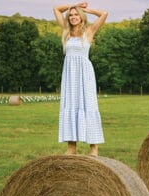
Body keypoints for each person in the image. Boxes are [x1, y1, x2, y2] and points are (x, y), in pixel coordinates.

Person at [53, 2, 108, 156]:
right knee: (71, 105)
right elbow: (56, 9)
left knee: (89, 105)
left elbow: (104, 14)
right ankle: (71, 147)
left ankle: (94, 148)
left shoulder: (89, 31)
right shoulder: (66, 31)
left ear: (82, 17)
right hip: (70, 76)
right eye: (71, 15)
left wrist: (85, 9)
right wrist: (74, 5)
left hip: (85, 75)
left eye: (76, 15)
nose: (73, 17)